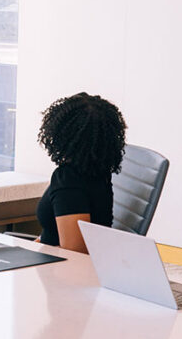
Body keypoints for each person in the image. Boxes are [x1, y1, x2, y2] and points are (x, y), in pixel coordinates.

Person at [35, 93, 126, 253]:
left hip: (63, 271)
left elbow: (74, 253)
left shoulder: (68, 180)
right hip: (57, 260)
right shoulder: (98, 170)